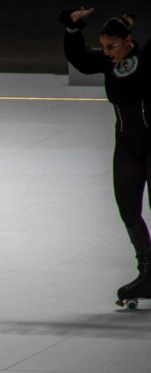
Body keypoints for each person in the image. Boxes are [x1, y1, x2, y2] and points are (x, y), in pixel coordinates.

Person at [61, 7, 151, 309]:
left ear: (129, 40)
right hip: (126, 146)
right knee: (128, 208)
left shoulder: (148, 59)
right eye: (104, 47)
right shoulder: (107, 62)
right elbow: (81, 61)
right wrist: (73, 28)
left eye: (112, 46)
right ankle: (148, 273)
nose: (107, 53)